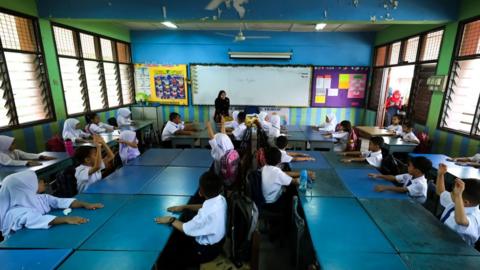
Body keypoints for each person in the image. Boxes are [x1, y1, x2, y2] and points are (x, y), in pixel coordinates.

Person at [0, 170, 103, 238]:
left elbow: (58, 201)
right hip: (20, 246)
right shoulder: (14, 212)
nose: (43, 182)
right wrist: (66, 219)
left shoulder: (39, 198)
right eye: (37, 181)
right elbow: (35, 219)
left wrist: (84, 204)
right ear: (25, 189)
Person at [155, 171, 227, 267]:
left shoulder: (205, 215)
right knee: (185, 218)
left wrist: (171, 219)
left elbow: (186, 229)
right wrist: (185, 207)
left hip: (206, 252)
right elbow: (203, 206)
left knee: (166, 257)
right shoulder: (221, 199)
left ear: (200, 191)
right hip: (219, 243)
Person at [435, 163, 480, 246]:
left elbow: (460, 220)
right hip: (441, 237)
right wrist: (440, 175)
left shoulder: (475, 217)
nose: (450, 193)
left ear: (466, 202)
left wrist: (458, 195)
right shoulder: (457, 201)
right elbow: (440, 192)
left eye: (453, 193)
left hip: (457, 250)